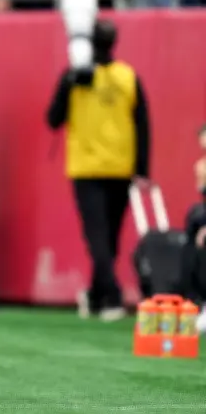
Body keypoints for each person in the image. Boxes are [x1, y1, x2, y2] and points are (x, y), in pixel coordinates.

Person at [46, 19, 150, 321]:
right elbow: (143, 125)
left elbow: (53, 119)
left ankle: (102, 295)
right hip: (118, 167)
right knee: (107, 238)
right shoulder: (128, 77)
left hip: (88, 168)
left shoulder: (76, 76)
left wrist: (67, 84)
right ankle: (105, 295)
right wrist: (142, 168)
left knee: (100, 238)